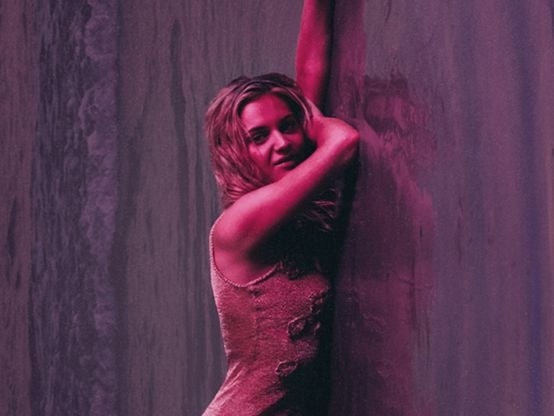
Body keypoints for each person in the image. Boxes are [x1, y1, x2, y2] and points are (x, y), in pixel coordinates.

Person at [202, 1, 359, 414]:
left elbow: (310, 73)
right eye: (259, 137)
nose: (282, 143)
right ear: (235, 152)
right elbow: (343, 142)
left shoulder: (292, 199)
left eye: (288, 126)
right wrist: (310, 122)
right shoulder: (239, 224)